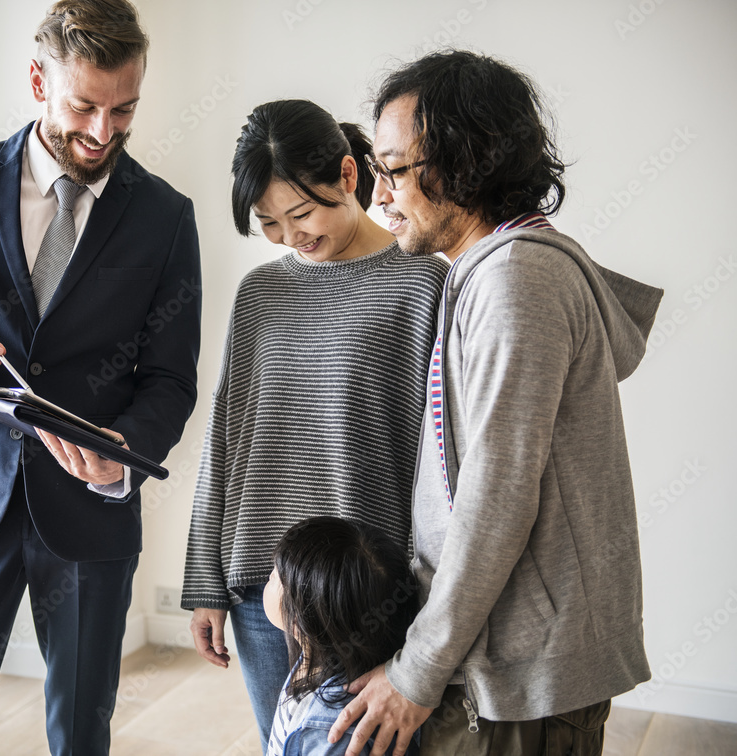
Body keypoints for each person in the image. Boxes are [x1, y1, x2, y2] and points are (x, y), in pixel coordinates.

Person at [0, 2, 201, 753]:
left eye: (124, 110)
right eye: (82, 106)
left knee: (80, 736)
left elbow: (170, 380)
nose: (101, 132)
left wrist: (123, 448)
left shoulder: (165, 216)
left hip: (94, 515)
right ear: (37, 80)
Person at [328, 51, 661, 756]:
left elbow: (495, 498)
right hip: (503, 653)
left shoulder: (517, 283)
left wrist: (417, 672)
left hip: (528, 667)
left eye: (392, 168)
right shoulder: (492, 270)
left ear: (460, 163)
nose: (377, 194)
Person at [180, 99, 449, 752]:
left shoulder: (422, 285)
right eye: (269, 222)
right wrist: (204, 581)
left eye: (301, 213)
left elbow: (439, 467)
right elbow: (225, 440)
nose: (290, 235)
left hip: (363, 598)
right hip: (260, 589)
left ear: (350, 177)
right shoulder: (258, 295)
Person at [263, 516, 419, 756]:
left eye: (274, 576)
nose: (269, 577)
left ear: (303, 620)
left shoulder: (334, 729)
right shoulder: (312, 660)